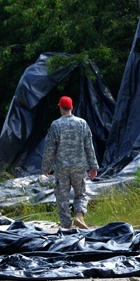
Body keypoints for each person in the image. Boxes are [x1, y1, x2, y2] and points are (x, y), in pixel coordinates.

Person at [42, 96, 99, 229]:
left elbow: (50, 149)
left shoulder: (56, 125)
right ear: (72, 108)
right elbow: (89, 147)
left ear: (61, 108)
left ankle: (66, 225)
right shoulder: (82, 124)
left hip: (61, 168)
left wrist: (46, 167)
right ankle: (79, 217)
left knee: (62, 197)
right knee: (81, 194)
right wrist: (93, 166)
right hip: (79, 167)